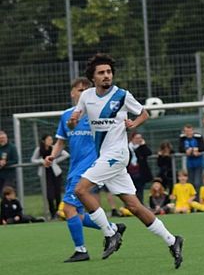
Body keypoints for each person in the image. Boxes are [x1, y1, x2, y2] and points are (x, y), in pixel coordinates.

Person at [66, 53, 183, 268]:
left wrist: (134, 124)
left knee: (80, 190)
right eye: (101, 72)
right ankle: (172, 240)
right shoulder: (87, 96)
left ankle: (110, 233)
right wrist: (72, 122)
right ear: (93, 77)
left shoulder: (122, 95)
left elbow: (144, 113)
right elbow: (75, 120)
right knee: (134, 206)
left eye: (109, 72)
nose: (106, 75)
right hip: (105, 156)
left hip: (117, 154)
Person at [44, 77, 113, 262]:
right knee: (79, 215)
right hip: (74, 168)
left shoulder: (96, 114)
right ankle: (112, 228)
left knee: (68, 209)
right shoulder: (67, 115)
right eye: (80, 90)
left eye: (86, 90)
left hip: (89, 168)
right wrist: (52, 156)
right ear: (72, 93)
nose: (83, 93)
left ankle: (81, 250)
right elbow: (60, 141)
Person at [31, 134, 68, 219]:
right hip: (45, 173)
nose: (50, 141)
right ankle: (52, 213)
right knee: (49, 195)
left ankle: (59, 212)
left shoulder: (54, 148)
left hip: (55, 173)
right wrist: (42, 161)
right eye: (48, 139)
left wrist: (55, 161)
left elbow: (66, 154)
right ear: (43, 141)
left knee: (57, 193)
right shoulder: (39, 149)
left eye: (51, 139)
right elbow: (33, 160)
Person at [179, 124, 204, 192]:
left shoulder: (198, 137)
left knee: (198, 182)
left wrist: (196, 149)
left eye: (190, 131)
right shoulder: (182, 138)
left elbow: (203, 147)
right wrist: (186, 150)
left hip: (198, 162)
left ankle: (199, 196)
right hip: (189, 163)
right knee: (190, 182)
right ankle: (191, 196)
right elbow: (180, 148)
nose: (188, 133)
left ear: (193, 131)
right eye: (186, 131)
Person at [127, 132, 153, 203]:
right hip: (130, 172)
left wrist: (143, 145)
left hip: (140, 172)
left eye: (140, 138)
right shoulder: (127, 147)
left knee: (140, 190)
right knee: (131, 190)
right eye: (137, 138)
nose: (139, 140)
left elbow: (149, 153)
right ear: (132, 139)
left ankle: (140, 204)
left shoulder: (142, 148)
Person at [0, 130, 19, 195]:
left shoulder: (12, 147)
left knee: (6, 192)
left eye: (3, 138)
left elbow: (16, 160)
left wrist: (6, 163)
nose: (2, 140)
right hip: (1, 174)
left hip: (9, 175)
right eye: (0, 138)